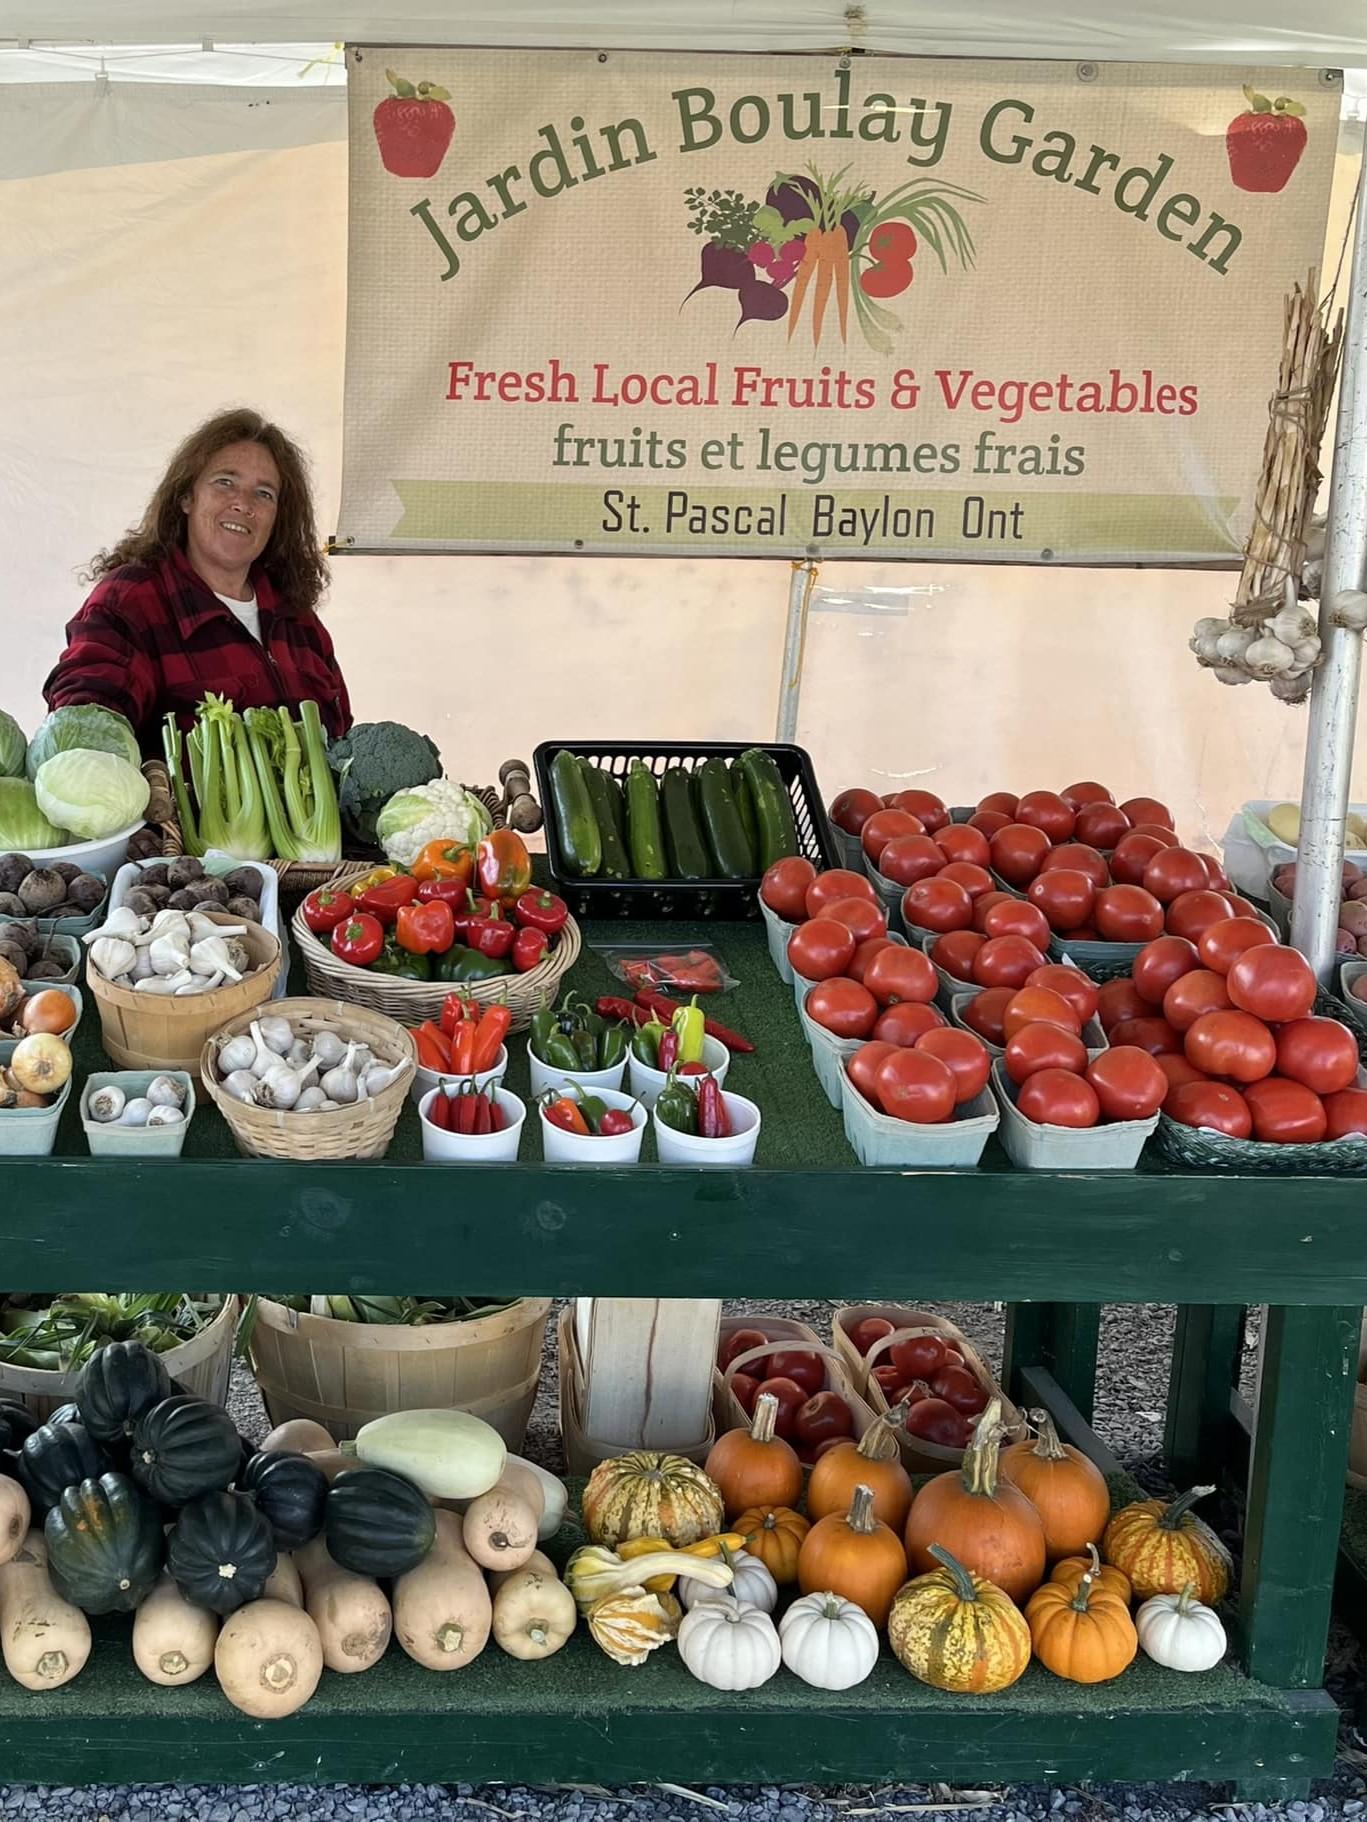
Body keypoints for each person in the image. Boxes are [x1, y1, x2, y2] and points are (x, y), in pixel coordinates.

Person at [43, 407, 352, 755]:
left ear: (278, 517)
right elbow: (89, 708)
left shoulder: (298, 619)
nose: (243, 504)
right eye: (225, 482)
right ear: (187, 497)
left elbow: (342, 744)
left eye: (264, 493)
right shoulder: (132, 599)